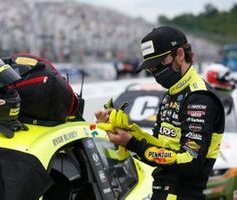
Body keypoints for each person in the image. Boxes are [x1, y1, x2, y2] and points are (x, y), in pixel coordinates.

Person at [96, 26, 225, 200]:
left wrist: (133, 144)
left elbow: (190, 161)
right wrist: (128, 132)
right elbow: (159, 149)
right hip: (163, 191)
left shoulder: (199, 97)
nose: (155, 73)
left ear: (179, 55)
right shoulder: (172, 94)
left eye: (158, 65)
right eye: (150, 68)